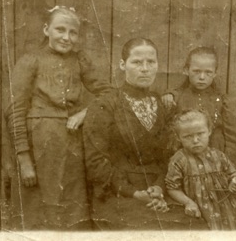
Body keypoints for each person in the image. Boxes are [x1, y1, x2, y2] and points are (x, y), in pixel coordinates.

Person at [83, 38, 208, 230]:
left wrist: (159, 187)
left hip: (161, 191)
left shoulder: (162, 104)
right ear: (123, 65)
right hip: (118, 194)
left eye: (151, 62)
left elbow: (171, 157)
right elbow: (96, 163)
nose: (145, 68)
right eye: (137, 62)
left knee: (195, 227)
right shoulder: (105, 104)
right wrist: (134, 193)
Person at [5, 6, 111, 230]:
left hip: (73, 144)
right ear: (46, 30)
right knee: (39, 212)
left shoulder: (80, 60)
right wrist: (24, 160)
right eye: (60, 30)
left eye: (73, 32)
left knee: (73, 211)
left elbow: (109, 93)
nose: (66, 37)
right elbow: (15, 110)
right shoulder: (30, 61)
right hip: (39, 147)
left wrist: (85, 113)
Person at [165, 109, 236, 230]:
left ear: (209, 131)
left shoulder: (218, 155)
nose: (195, 140)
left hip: (225, 208)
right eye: (188, 136)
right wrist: (188, 202)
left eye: (200, 134)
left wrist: (235, 180)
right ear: (178, 138)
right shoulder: (179, 160)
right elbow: (172, 188)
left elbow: (232, 174)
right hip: (198, 210)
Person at [162, 47, 236, 155]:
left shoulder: (221, 100)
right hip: (184, 156)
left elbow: (231, 137)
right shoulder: (177, 97)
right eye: (196, 71)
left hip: (214, 157)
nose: (202, 77)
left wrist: (226, 161)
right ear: (186, 70)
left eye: (208, 72)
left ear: (215, 73)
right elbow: (169, 130)